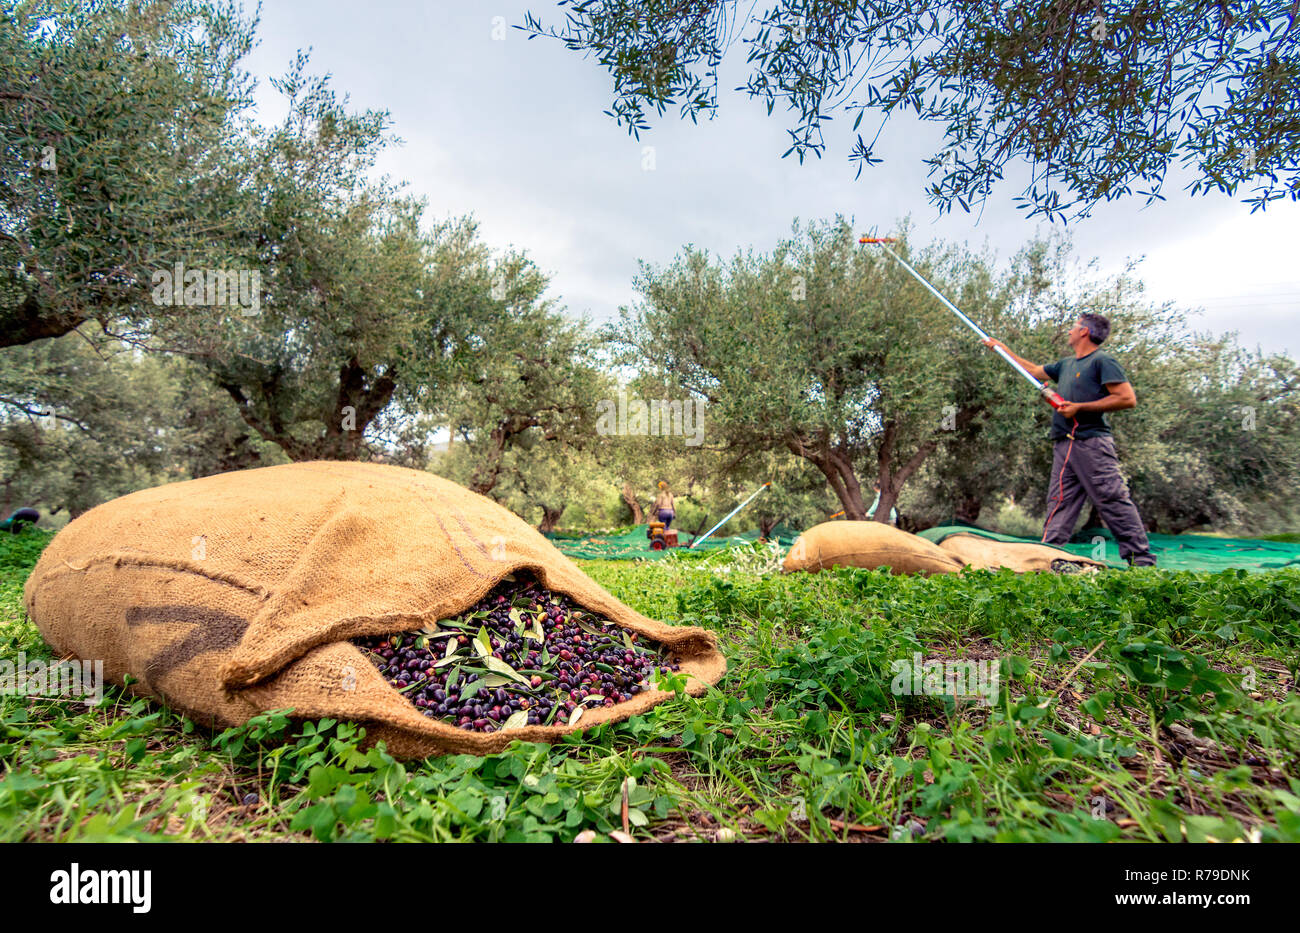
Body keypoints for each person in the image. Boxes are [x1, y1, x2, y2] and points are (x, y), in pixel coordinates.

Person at [983, 313, 1157, 567]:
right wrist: (1002, 349)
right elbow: (1031, 370)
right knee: (1059, 503)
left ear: (1084, 331)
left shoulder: (1102, 361)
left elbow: (1126, 398)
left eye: (1073, 327)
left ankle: (1141, 561)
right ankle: (1048, 559)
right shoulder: (1066, 365)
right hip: (1064, 444)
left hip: (1092, 444)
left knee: (1111, 499)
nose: (1069, 331)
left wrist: (1079, 408)